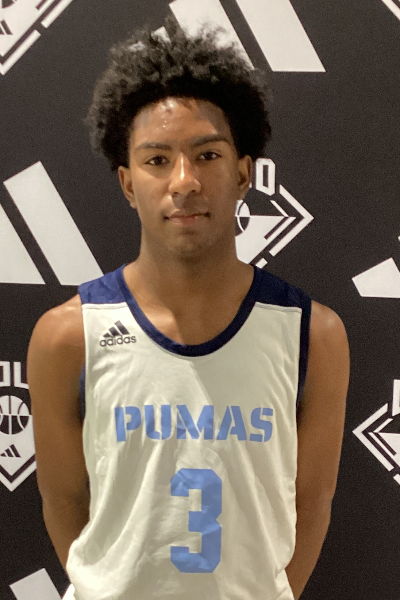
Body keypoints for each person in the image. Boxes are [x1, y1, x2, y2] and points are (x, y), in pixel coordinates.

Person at [27, 18, 349, 600]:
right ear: (127, 183)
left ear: (243, 172)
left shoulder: (312, 334)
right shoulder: (68, 336)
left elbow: (313, 502)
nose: (184, 181)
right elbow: (63, 501)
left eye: (207, 155)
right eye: (157, 160)